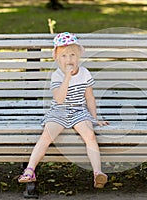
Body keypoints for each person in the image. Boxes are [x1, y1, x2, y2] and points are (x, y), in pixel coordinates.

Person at [18, 32, 109, 189]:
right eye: (64, 56)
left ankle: (98, 173)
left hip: (79, 111)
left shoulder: (85, 73)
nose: (69, 60)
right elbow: (59, 99)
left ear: (79, 55)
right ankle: (30, 170)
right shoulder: (57, 75)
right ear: (57, 58)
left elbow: (90, 98)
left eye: (72, 55)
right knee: (46, 135)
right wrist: (67, 77)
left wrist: (95, 118)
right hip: (59, 110)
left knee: (90, 135)